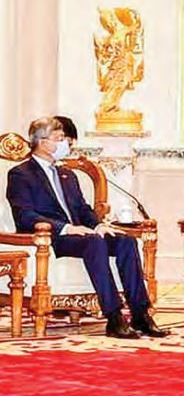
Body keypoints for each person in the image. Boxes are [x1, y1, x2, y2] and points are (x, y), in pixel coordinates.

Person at [5, 117, 167, 339]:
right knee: (94, 242)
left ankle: (140, 314)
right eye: (59, 138)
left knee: (125, 241)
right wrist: (66, 228)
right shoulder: (21, 174)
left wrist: (99, 225)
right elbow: (24, 215)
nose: (65, 144)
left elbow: (82, 209)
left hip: (81, 235)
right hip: (51, 238)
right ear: (42, 142)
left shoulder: (67, 174)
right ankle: (114, 317)